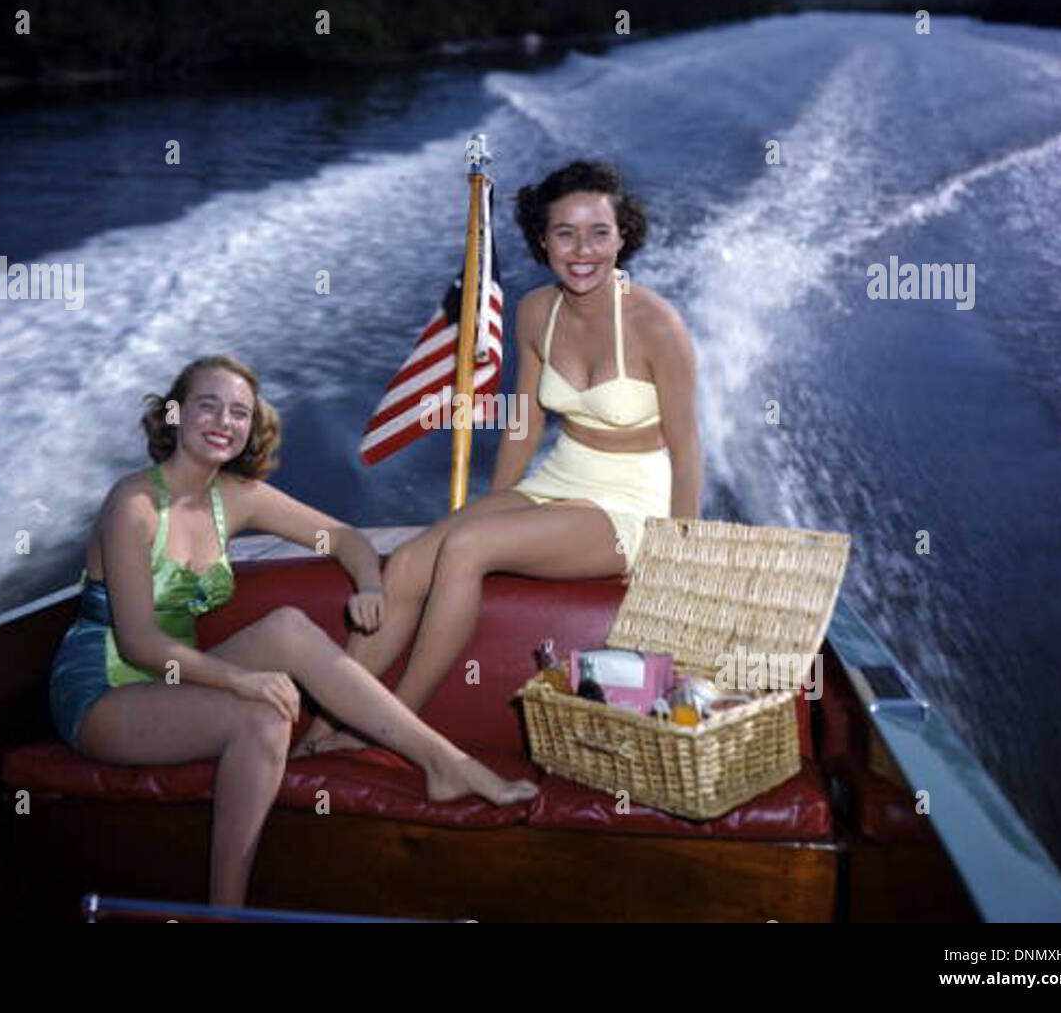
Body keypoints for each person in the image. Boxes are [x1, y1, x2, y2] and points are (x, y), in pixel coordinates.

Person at [48, 355, 538, 907]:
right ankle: (226, 913)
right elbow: (138, 641)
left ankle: (444, 763)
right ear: (174, 414)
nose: (223, 421)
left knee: (288, 628)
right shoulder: (133, 503)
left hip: (175, 680)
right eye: (208, 405)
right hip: (106, 690)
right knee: (263, 716)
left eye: (238, 412)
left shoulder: (236, 499)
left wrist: (370, 587)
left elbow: (344, 537)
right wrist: (241, 680)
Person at [293, 160, 703, 758]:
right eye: (565, 233)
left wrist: (675, 555)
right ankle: (323, 728)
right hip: (561, 476)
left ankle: (391, 728)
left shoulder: (657, 325)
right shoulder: (536, 311)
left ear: (623, 237)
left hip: (631, 501)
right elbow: (525, 424)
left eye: (599, 233)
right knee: (408, 563)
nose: (582, 250)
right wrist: (495, 504)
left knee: (466, 549)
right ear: (542, 240)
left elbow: (688, 449)